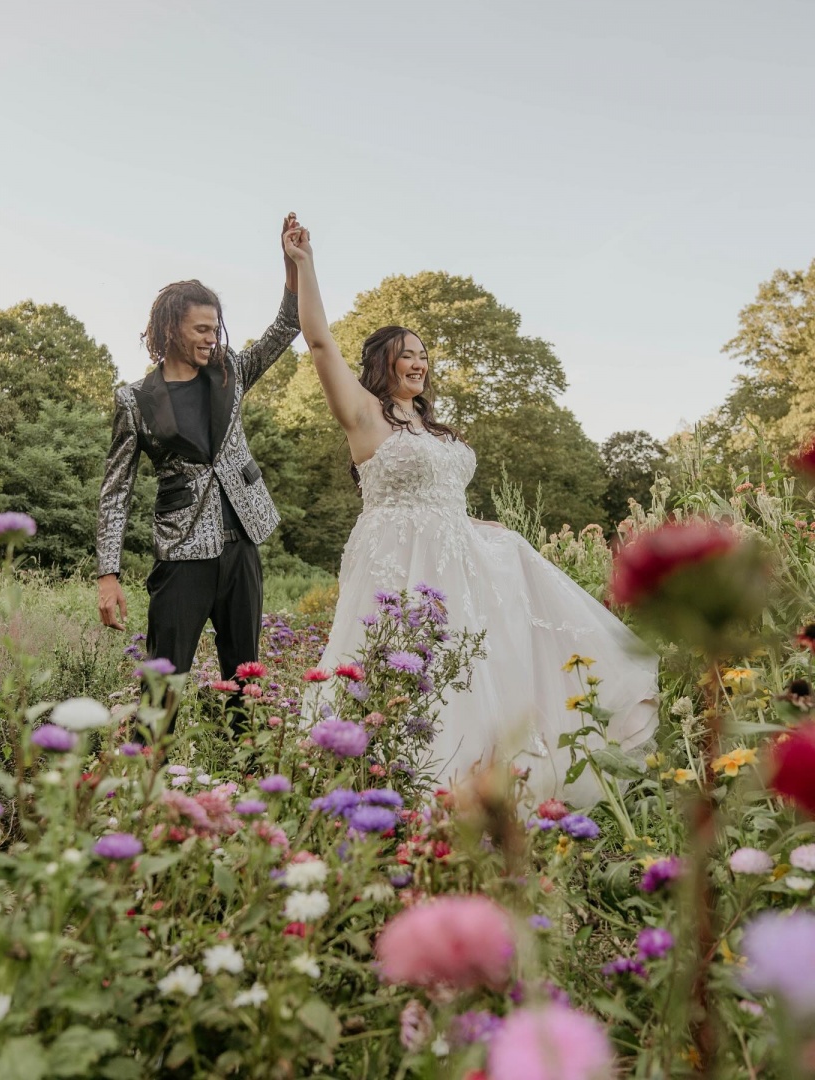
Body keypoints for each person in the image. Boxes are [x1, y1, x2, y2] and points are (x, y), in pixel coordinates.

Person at [282, 225, 658, 805]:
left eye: (424, 355)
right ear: (382, 363)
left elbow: (442, 500)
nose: (419, 362)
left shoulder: (432, 428)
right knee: (394, 657)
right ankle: (392, 782)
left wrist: (483, 527)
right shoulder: (363, 416)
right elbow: (320, 343)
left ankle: (484, 782)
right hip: (397, 559)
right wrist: (303, 265)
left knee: (475, 660)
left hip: (457, 555)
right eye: (405, 353)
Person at [96, 214, 303, 737]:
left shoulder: (231, 372)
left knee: (246, 688)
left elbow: (286, 327)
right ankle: (148, 797)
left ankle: (249, 795)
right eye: (202, 329)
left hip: (243, 549)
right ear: (171, 329)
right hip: (181, 557)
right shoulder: (134, 400)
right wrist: (108, 573)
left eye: (216, 328)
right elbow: (115, 491)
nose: (213, 338)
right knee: (160, 692)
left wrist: (291, 265)